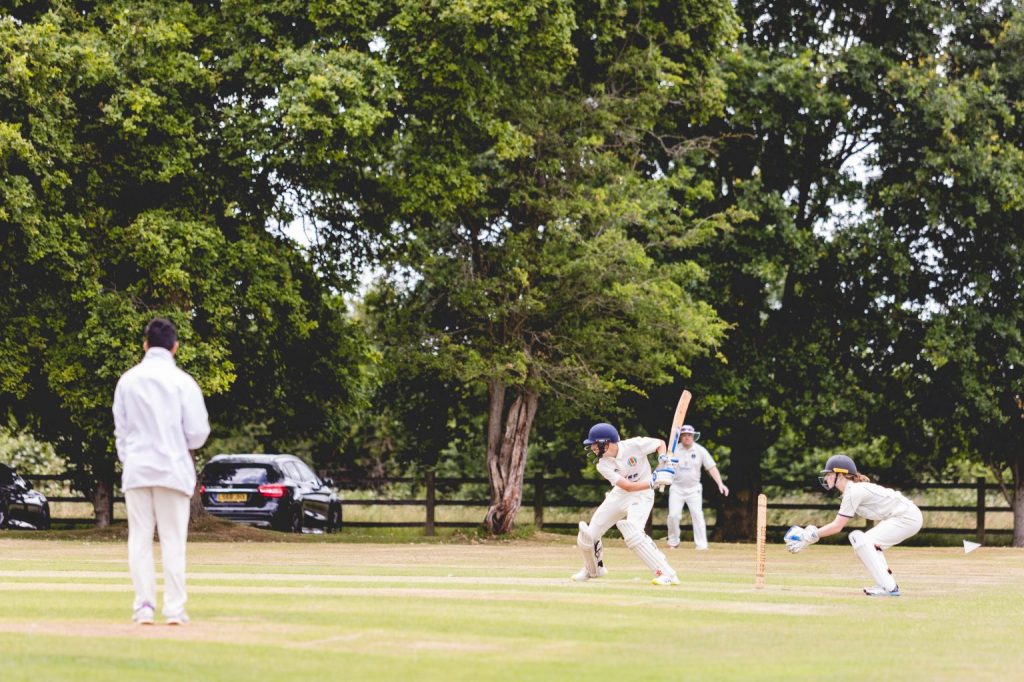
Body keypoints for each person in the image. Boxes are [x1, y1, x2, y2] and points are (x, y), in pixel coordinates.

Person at [113, 318, 210, 625]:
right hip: (172, 469)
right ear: (175, 347)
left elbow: (121, 430)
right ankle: (174, 608)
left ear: (145, 345)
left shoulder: (128, 380)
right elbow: (197, 434)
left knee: (139, 539)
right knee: (172, 540)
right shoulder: (184, 382)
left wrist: (129, 459)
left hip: (139, 468)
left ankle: (143, 605)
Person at [785, 454, 923, 597]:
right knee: (865, 544)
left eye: (830, 474)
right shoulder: (852, 491)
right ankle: (886, 585)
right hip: (903, 516)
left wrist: (810, 536)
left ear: (842, 475)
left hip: (907, 517)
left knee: (864, 542)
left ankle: (889, 587)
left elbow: (837, 526)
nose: (826, 478)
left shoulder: (854, 491)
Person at [572, 422, 679, 586]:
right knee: (589, 535)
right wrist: (654, 481)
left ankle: (667, 574)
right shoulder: (602, 464)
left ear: (605, 442)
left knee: (634, 533)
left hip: (642, 496)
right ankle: (593, 569)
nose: (592, 448)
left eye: (594, 444)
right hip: (621, 494)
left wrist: (663, 460)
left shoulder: (634, 444)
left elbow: (660, 444)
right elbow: (628, 487)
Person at [662, 424, 728, 550]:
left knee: (697, 515)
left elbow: (711, 467)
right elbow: (665, 465)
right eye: (684, 435)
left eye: (689, 435)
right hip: (677, 487)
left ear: (693, 436)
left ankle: (701, 545)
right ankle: (673, 542)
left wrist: (720, 483)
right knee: (673, 516)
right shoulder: (674, 450)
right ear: (680, 437)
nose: (687, 437)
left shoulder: (700, 450)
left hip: (694, 489)